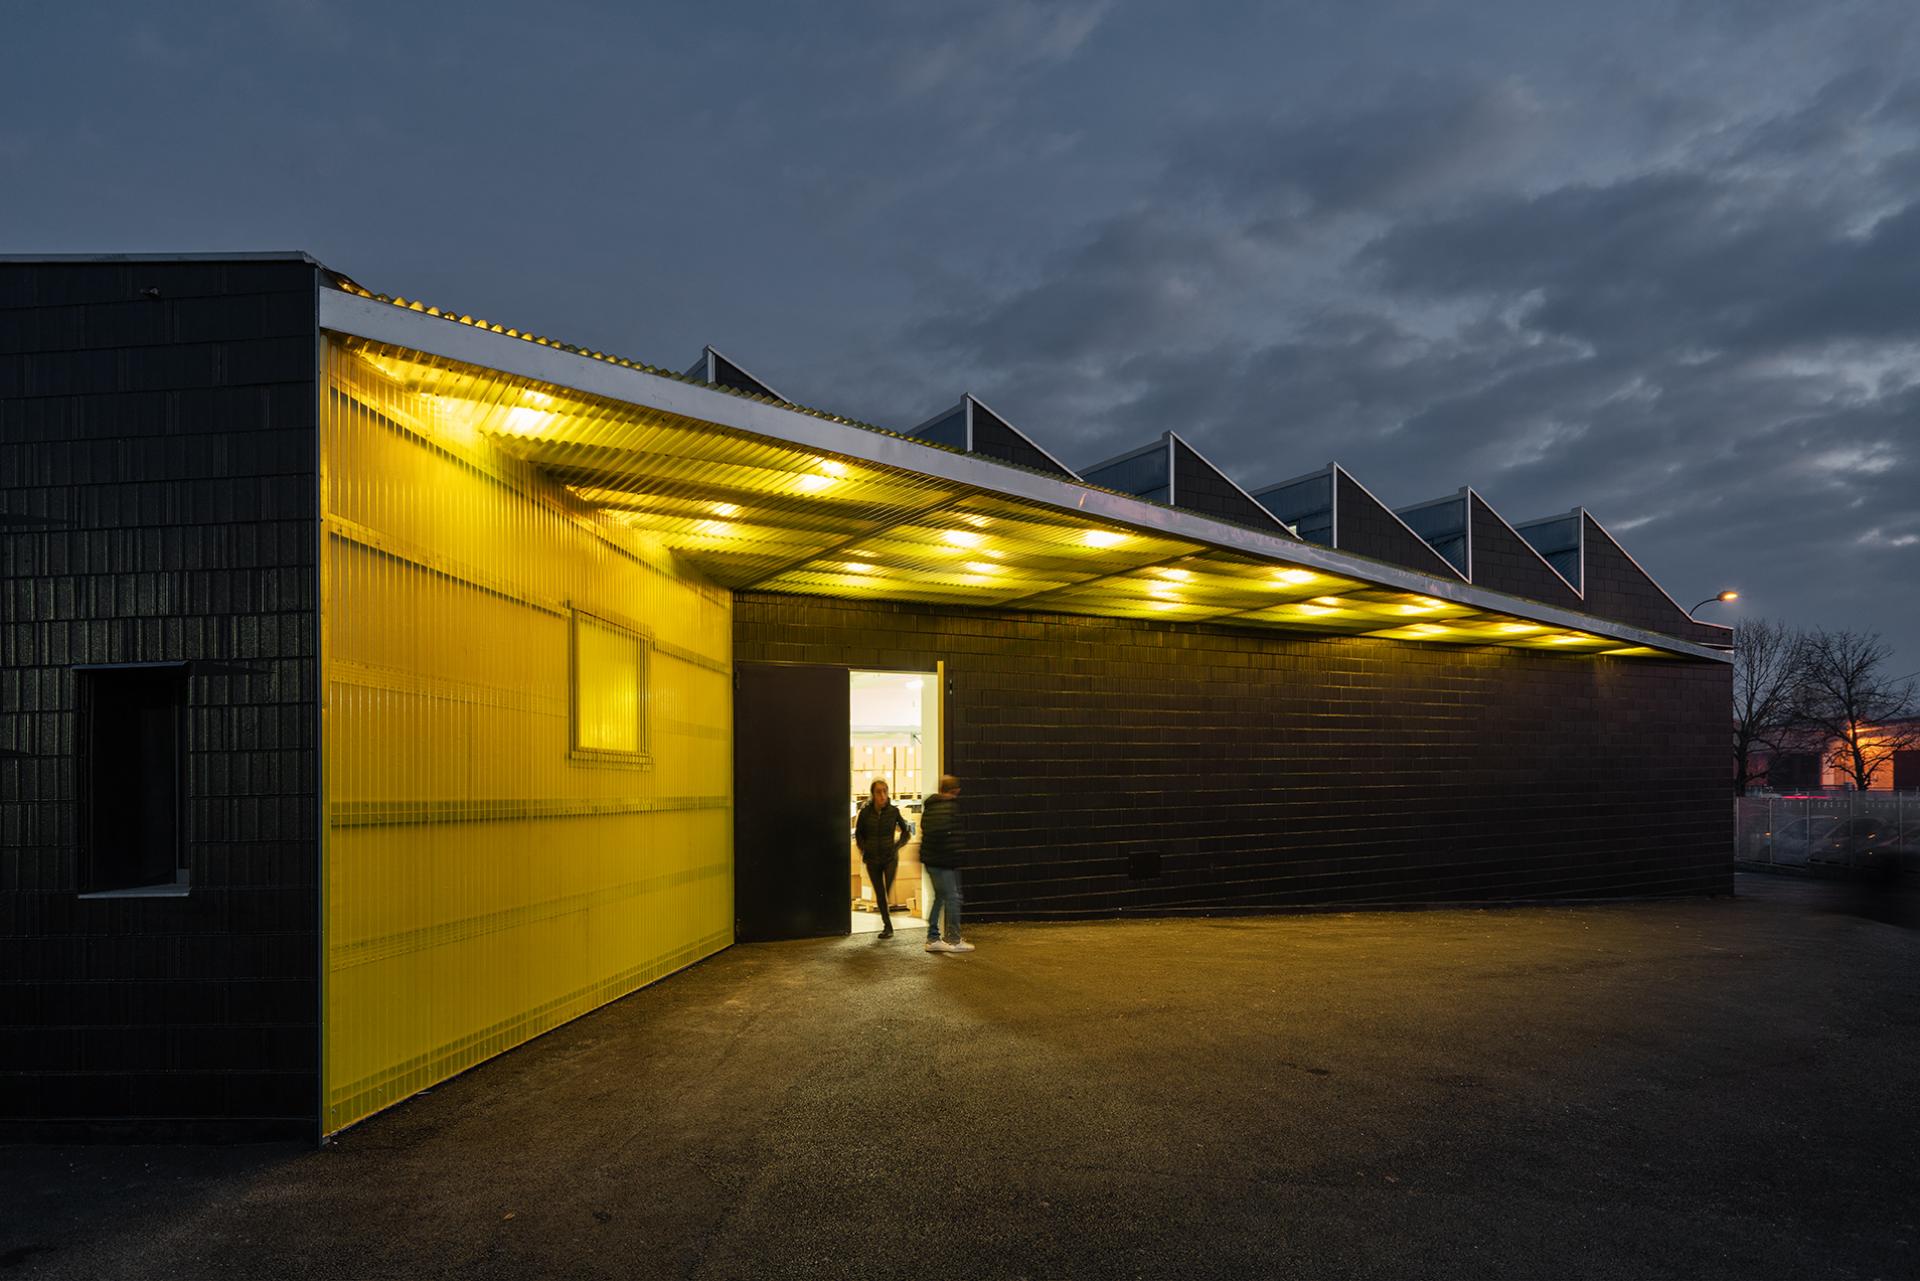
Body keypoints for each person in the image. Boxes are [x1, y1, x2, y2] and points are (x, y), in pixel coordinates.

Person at [853, 779, 912, 939]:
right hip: (872, 859)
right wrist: (864, 848)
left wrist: (896, 846)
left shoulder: (893, 811)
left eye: (885, 791)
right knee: (880, 894)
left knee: (885, 891)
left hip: (889, 858)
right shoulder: (865, 813)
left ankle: (887, 924)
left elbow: (906, 832)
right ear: (873, 794)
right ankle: (888, 927)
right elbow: (859, 833)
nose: (882, 795)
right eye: (879, 792)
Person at [920, 774, 971, 954]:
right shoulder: (949, 808)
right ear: (955, 791)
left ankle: (933, 937)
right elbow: (950, 837)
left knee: (940, 897)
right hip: (944, 862)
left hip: (931, 861)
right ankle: (954, 939)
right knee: (953, 898)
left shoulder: (930, 807)